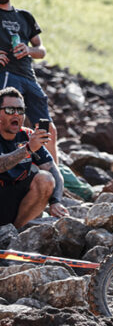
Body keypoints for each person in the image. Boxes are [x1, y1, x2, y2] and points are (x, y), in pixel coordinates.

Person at [0, 87, 65, 228]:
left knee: (45, 179)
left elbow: (53, 170)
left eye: (20, 110)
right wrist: (28, 149)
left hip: (15, 200)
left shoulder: (28, 135)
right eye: (10, 110)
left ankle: (15, 232)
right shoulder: (29, 143)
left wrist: (55, 201)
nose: (16, 114)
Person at [0, 0, 51, 127]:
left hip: (29, 76)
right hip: (6, 74)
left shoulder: (25, 16)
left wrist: (29, 50)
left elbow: (41, 50)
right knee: (6, 121)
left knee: (46, 127)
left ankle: (43, 145)